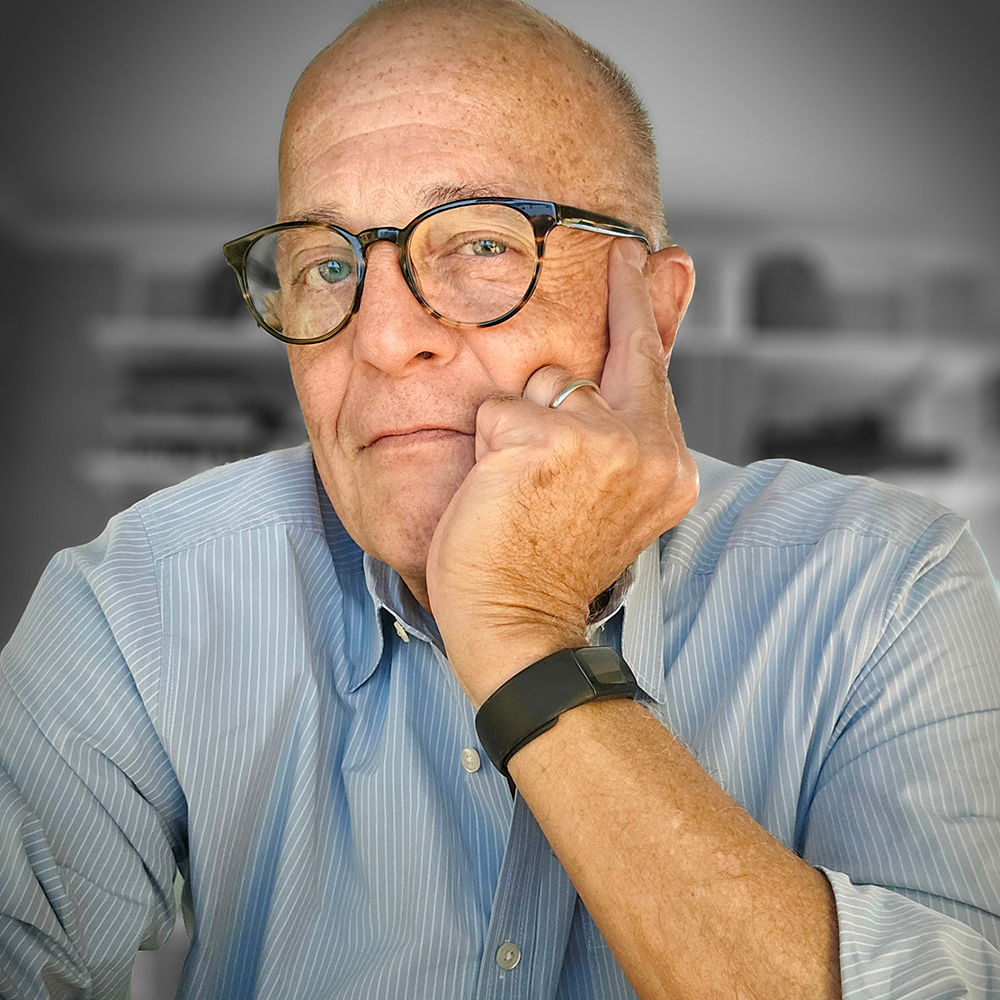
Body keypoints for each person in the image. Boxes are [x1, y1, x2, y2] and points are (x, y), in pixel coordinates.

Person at [2, 1, 998, 997]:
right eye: (327, 265)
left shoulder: (889, 588)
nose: (382, 338)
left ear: (652, 313)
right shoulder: (133, 605)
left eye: (480, 245)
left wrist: (522, 636)